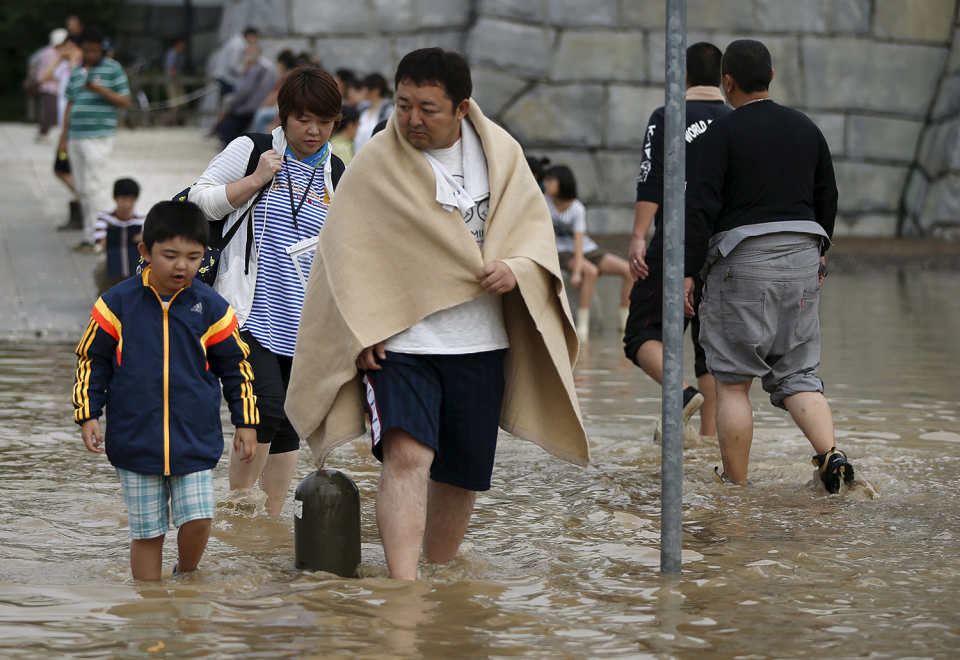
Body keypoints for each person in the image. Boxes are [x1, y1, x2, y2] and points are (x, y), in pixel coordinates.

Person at [285, 48, 588, 580]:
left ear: (462, 108)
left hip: (481, 340)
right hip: (403, 344)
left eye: (427, 108)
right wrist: (360, 328)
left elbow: (533, 237)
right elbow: (345, 252)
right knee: (407, 459)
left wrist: (515, 269)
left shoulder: (501, 156)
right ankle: (404, 590)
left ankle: (440, 576)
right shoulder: (376, 161)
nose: (412, 119)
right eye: (403, 105)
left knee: (460, 475)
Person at [685, 39, 856, 493]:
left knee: (733, 382)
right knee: (798, 375)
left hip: (742, 262)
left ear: (728, 82)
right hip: (803, 259)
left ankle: (735, 486)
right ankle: (830, 455)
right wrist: (820, 253)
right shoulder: (806, 128)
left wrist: (687, 271)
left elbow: (699, 207)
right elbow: (828, 195)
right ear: (772, 77)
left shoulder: (721, 133)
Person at [189, 66, 347, 517]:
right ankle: (239, 508)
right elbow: (198, 202)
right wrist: (256, 179)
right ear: (283, 116)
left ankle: (268, 523)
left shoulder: (337, 172)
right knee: (265, 408)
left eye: (325, 121)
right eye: (303, 120)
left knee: (289, 421)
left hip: (303, 323)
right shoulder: (252, 149)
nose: (313, 131)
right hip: (246, 314)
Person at [73, 201, 258, 581]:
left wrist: (246, 422)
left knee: (200, 520)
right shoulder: (115, 304)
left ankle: (185, 579)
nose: (181, 266)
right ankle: (150, 607)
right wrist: (88, 414)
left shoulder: (213, 308)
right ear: (145, 251)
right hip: (134, 441)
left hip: (194, 440)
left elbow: (236, 367)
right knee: (148, 533)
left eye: (193, 257)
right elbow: (92, 360)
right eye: (170, 256)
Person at [624, 42, 733, 439]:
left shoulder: (667, 116)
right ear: (723, 79)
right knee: (711, 352)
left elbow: (652, 177)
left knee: (641, 335)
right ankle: (709, 444)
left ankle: (683, 393)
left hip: (674, 244)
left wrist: (639, 235)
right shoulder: (736, 121)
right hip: (725, 250)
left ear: (683, 76)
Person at [60, 27, 131, 252]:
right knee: (82, 187)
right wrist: (63, 138)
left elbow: (125, 101)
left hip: (99, 135)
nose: (91, 54)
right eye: (87, 50)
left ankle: (97, 238)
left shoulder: (113, 68)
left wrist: (100, 89)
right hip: (76, 135)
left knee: (94, 185)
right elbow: (69, 103)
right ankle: (89, 235)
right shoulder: (76, 71)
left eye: (95, 50)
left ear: (101, 49)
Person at [543, 165, 631, 341]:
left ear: (562, 183)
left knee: (629, 270)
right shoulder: (544, 201)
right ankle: (583, 326)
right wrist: (578, 271)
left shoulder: (577, 208)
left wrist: (577, 271)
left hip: (586, 249)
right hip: (560, 251)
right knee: (590, 271)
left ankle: (625, 323)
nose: (546, 183)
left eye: (551, 180)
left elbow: (579, 241)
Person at [217, 44, 278, 146]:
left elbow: (245, 91)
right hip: (254, 102)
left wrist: (235, 103)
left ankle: (222, 136)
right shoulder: (264, 66)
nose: (247, 56)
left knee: (229, 106)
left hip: (251, 104)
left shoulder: (257, 67)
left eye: (249, 53)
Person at [94, 178, 146, 295]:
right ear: (115, 198)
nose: (127, 204)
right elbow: (103, 245)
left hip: (135, 258)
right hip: (112, 258)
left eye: (131, 200)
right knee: (104, 265)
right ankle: (105, 296)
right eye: (123, 199)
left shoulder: (143, 220)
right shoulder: (104, 218)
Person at [251, 50, 297, 134]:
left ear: (283, 64)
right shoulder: (292, 75)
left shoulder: (286, 77)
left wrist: (263, 106)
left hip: (285, 109)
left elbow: (275, 94)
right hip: (287, 108)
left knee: (260, 115)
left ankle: (261, 138)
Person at [35, 29, 69, 142]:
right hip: (49, 88)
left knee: (55, 112)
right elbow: (44, 76)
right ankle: (42, 133)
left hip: (59, 89)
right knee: (50, 112)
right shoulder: (50, 52)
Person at [354, 73, 393, 151]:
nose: (363, 91)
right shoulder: (363, 109)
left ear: (375, 90)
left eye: (365, 88)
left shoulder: (388, 111)